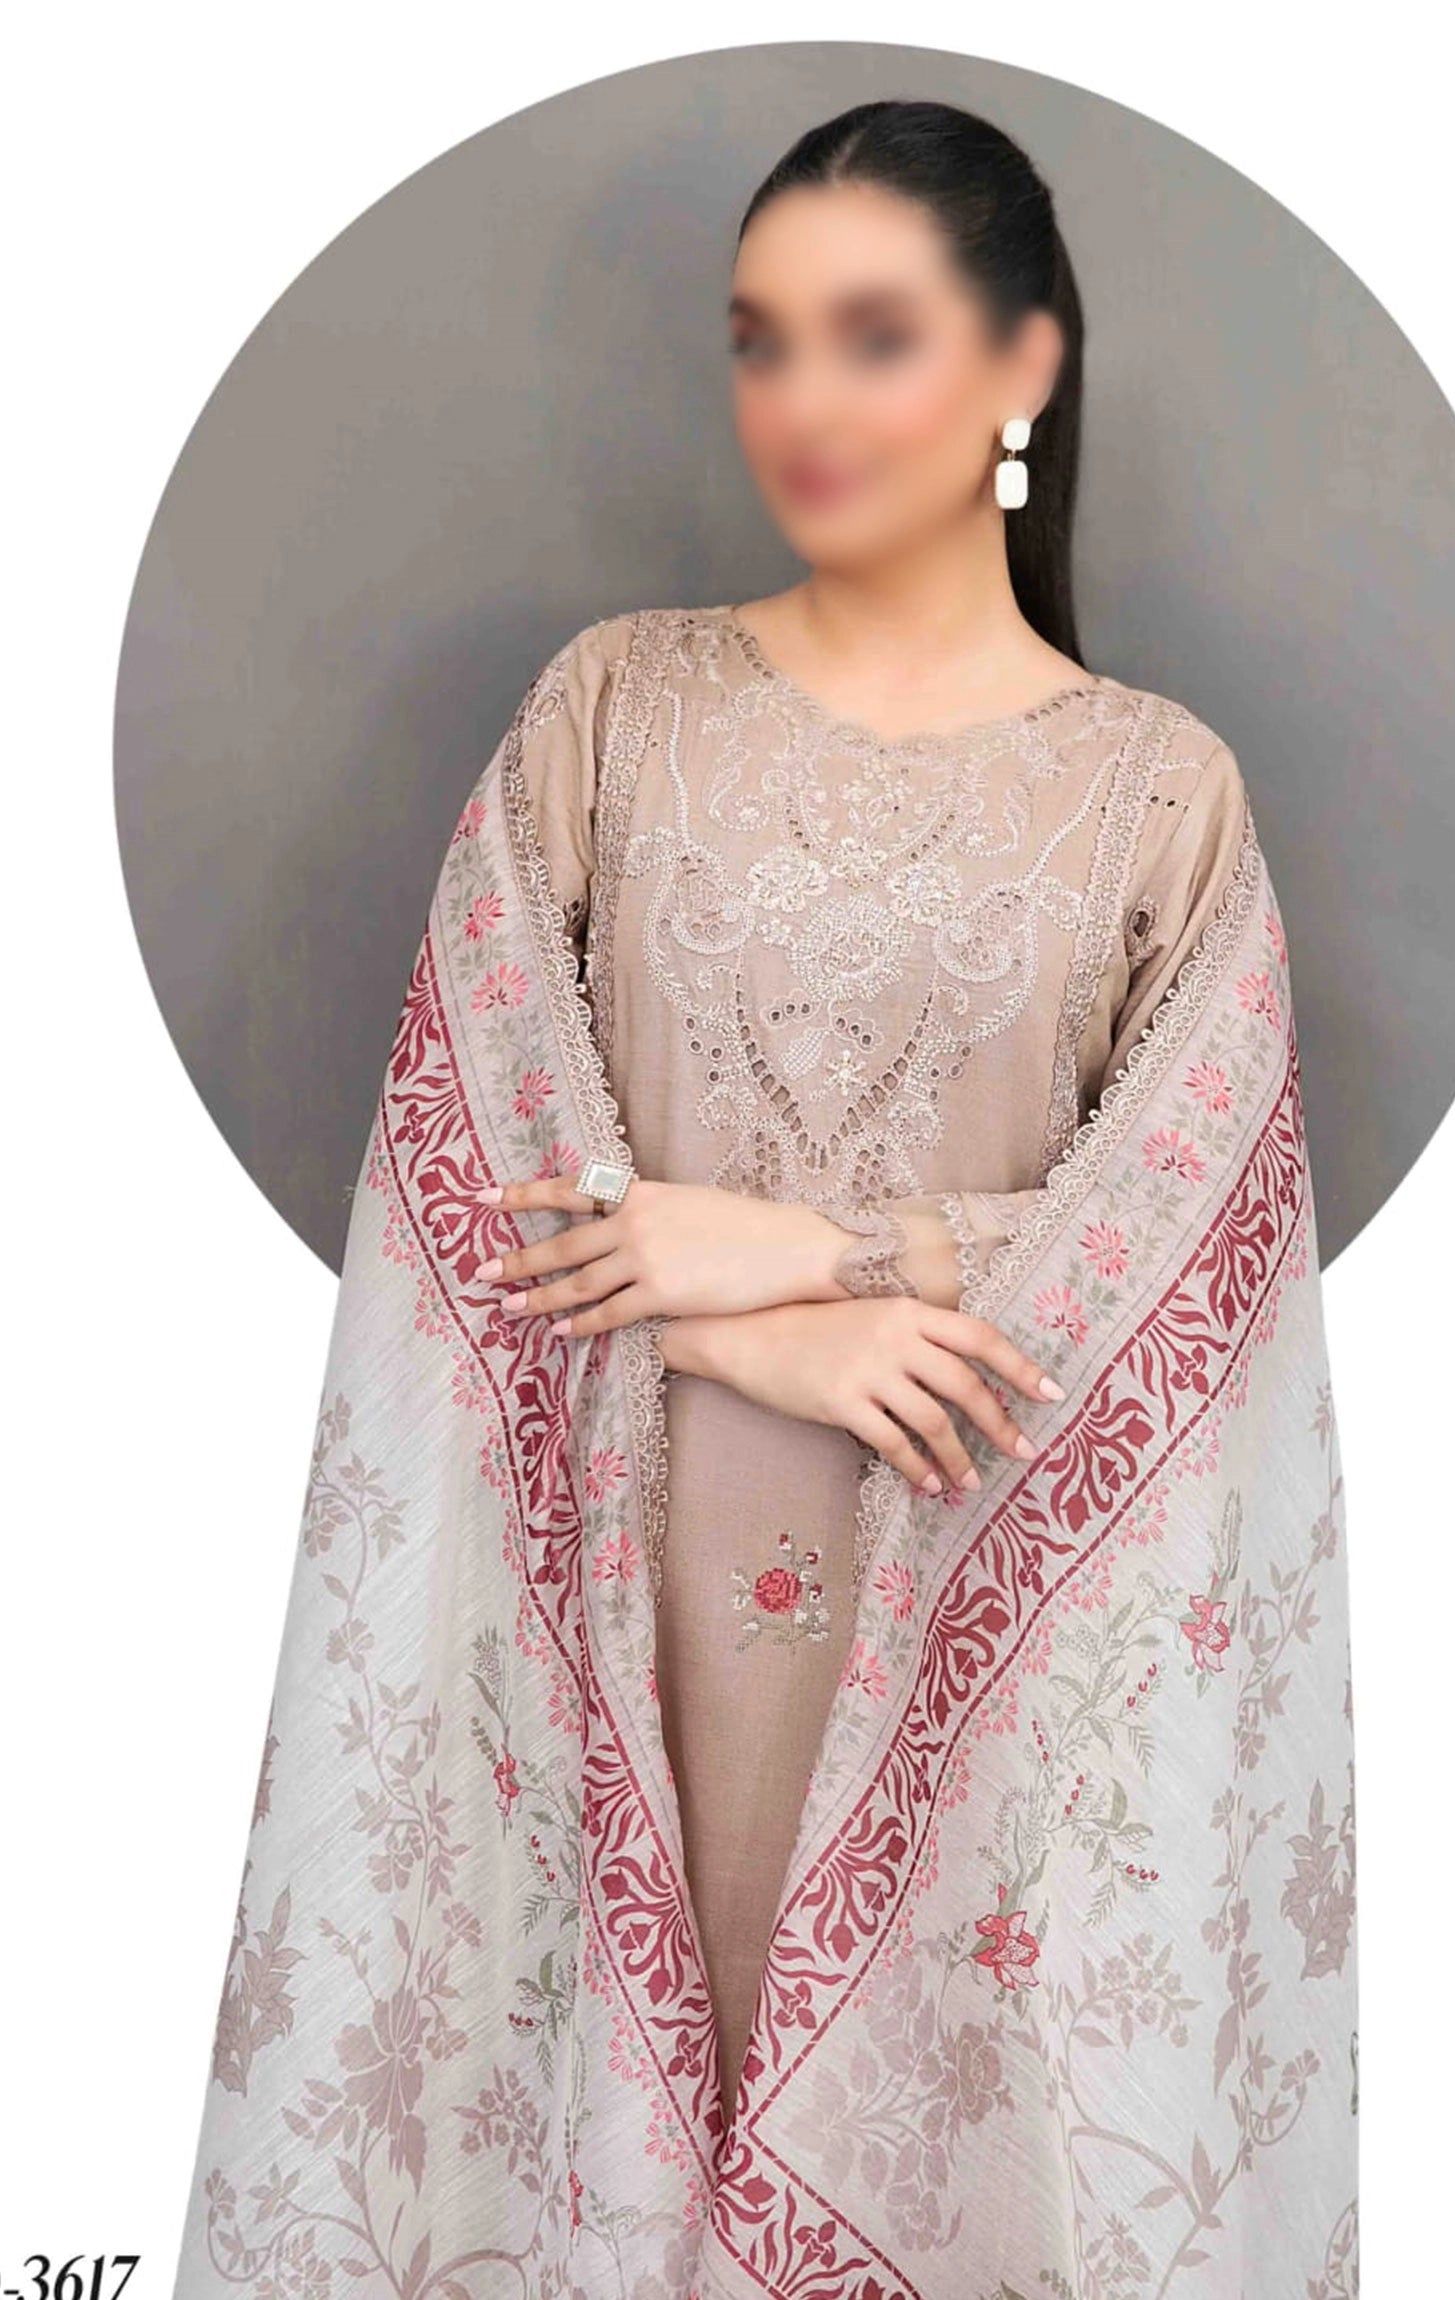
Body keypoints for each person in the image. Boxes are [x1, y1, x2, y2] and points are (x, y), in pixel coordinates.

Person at [174, 99, 1357, 2300]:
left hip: (983, 1624)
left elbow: (1205, 1268)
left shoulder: (1157, 796)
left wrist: (825, 1247)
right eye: (763, 340)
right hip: (621, 1590)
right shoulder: (611, 713)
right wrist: (757, 1332)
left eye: (872, 336)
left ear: (1025, 367)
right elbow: (459, 1165)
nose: (802, 400)